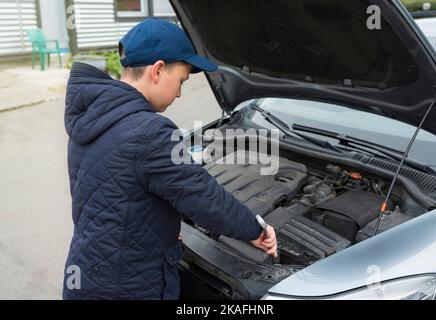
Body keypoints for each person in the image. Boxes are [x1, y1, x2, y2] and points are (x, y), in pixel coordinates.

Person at [62, 18, 277, 300]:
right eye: (181, 81)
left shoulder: (93, 116)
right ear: (158, 70)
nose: (179, 92)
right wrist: (255, 229)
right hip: (127, 287)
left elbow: (110, 194)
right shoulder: (149, 131)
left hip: (86, 272)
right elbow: (203, 196)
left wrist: (158, 228)